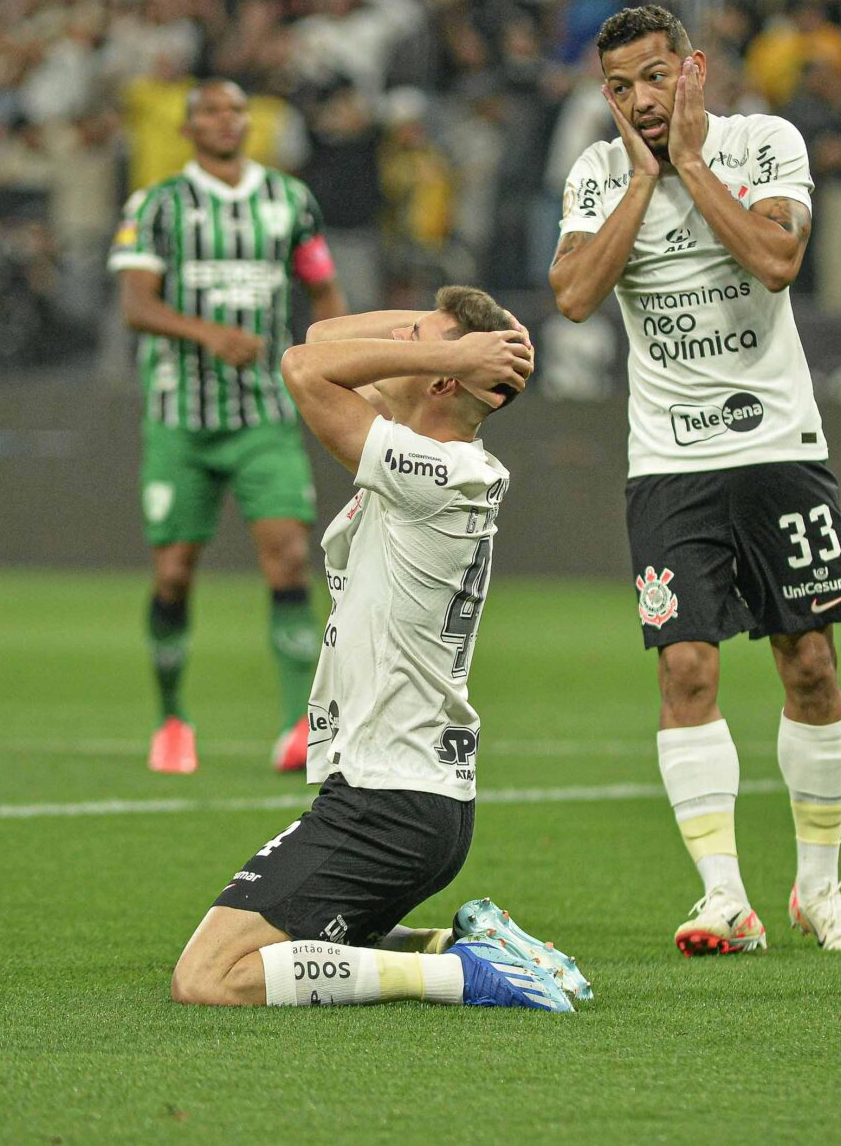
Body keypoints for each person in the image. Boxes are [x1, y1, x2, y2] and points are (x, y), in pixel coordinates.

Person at [549, 5, 841, 957]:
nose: (641, 101)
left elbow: (778, 260)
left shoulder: (763, 143)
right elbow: (572, 296)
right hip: (669, 462)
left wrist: (689, 163)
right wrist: (647, 180)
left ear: (693, 70)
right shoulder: (602, 173)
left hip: (778, 446)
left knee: (807, 659)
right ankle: (724, 895)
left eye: (656, 78)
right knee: (686, 666)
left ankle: (820, 889)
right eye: (620, 88)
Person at [170, 285, 587, 1012]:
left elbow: (303, 366)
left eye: (419, 339)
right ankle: (454, 946)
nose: (399, 344)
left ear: (442, 378)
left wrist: (447, 350)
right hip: (404, 797)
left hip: (390, 803)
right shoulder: (431, 449)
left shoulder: (440, 472)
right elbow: (323, 333)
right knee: (268, 948)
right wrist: (444, 343)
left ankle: (467, 976)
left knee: (208, 979)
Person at [109, 79, 349, 775]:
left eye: (237, 110)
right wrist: (209, 334)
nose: (226, 120)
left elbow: (322, 286)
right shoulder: (157, 205)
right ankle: (172, 719)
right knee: (175, 573)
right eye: (211, 111)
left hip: (264, 417)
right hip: (181, 416)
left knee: (290, 559)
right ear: (187, 129)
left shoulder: (289, 202)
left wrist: (337, 351)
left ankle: (297, 727)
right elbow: (135, 303)